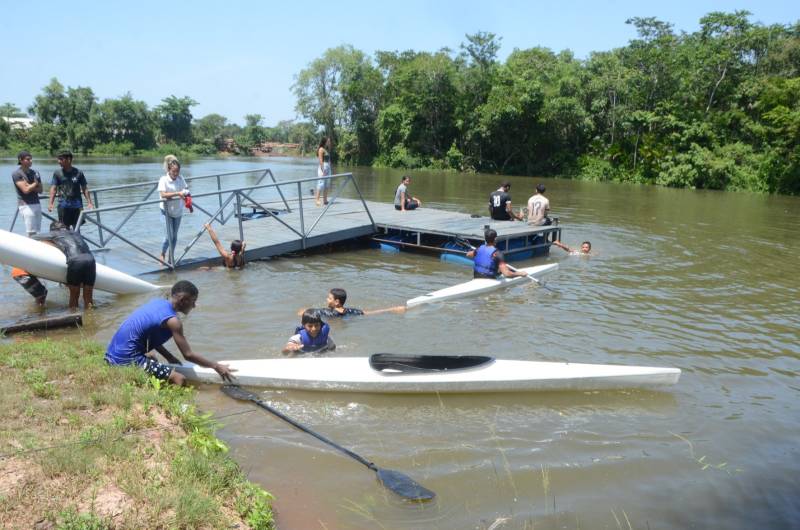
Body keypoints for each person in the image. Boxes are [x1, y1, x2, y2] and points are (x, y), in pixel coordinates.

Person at [105, 280, 235, 385]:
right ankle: (180, 406)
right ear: (183, 300)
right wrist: (216, 366)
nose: (194, 305)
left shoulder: (158, 303)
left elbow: (151, 337)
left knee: (152, 357)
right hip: (124, 360)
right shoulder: (173, 321)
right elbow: (188, 355)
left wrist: (169, 357)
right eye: (193, 301)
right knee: (180, 379)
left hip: (111, 354)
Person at [34, 221, 96, 310]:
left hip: (76, 261)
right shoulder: (75, 233)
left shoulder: (54, 233)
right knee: (88, 296)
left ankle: (74, 315)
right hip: (91, 260)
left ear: (53, 230)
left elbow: (32, 238)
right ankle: (90, 315)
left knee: (74, 295)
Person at [48, 150, 94, 230]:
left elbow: (84, 188)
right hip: (63, 205)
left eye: (61, 159)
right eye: (58, 159)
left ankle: (77, 238)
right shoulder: (57, 173)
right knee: (64, 229)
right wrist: (51, 203)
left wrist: (89, 202)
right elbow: (53, 188)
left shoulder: (78, 172)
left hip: (77, 205)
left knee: (77, 229)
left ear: (69, 159)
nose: (58, 161)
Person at [158, 156, 190, 264]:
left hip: (178, 211)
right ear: (169, 170)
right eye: (174, 171)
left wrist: (186, 195)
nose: (176, 174)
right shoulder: (163, 179)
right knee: (169, 236)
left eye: (177, 171)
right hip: (166, 211)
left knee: (175, 236)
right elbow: (163, 194)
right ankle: (162, 253)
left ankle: (171, 257)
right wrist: (177, 193)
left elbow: (186, 189)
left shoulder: (181, 178)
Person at [301, 287, 406, 318]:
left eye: (329, 298)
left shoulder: (325, 312)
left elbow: (303, 312)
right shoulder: (350, 311)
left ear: (336, 302)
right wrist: (393, 309)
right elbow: (368, 313)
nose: (327, 299)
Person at [12, 150, 43, 236]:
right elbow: (25, 190)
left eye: (31, 159)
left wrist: (30, 186)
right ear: (20, 160)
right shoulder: (16, 174)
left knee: (37, 232)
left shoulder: (35, 173)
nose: (31, 161)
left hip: (37, 203)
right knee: (31, 232)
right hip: (26, 205)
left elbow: (41, 190)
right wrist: (35, 183)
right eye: (28, 159)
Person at [315, 136, 332, 206]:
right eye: (328, 141)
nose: (329, 142)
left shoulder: (326, 149)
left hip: (328, 167)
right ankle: (317, 200)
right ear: (325, 141)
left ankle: (325, 200)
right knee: (321, 183)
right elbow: (321, 160)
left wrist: (329, 167)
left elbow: (329, 159)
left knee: (327, 184)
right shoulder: (321, 149)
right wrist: (323, 170)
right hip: (323, 167)